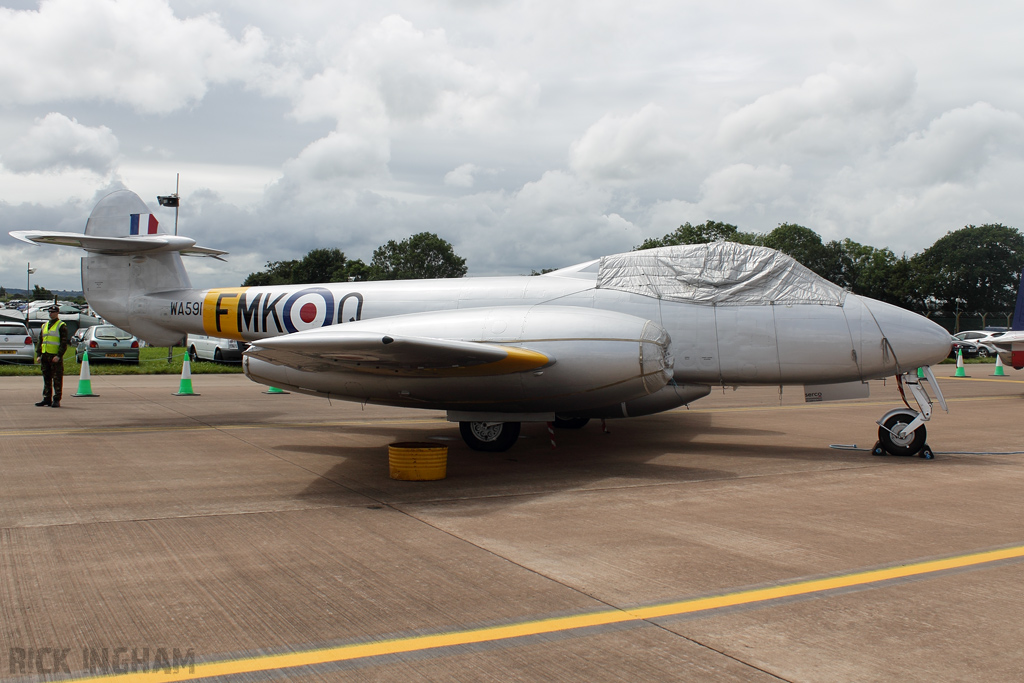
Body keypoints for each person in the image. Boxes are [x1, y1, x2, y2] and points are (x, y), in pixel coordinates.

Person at [35, 304, 69, 408]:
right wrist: (39, 354)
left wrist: (59, 355)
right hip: (45, 355)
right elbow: (41, 340)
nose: (51, 314)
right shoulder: (45, 325)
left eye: (53, 312)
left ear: (57, 313)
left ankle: (56, 399)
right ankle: (46, 398)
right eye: (49, 312)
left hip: (54, 356)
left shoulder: (61, 325)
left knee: (57, 379)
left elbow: (64, 343)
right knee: (47, 378)